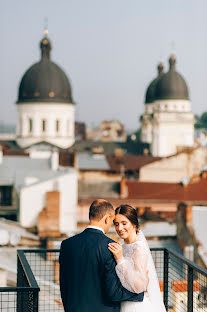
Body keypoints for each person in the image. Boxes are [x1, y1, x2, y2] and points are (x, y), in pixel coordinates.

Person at [59, 199, 144, 312]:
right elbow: (113, 292)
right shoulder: (110, 247)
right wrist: (139, 294)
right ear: (107, 219)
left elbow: (63, 284)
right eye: (113, 221)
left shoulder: (66, 244)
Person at [108, 204, 166, 312]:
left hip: (135, 306)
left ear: (134, 223)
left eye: (124, 223)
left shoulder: (139, 249)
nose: (119, 228)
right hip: (124, 302)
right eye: (116, 224)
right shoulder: (123, 246)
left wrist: (120, 260)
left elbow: (139, 287)